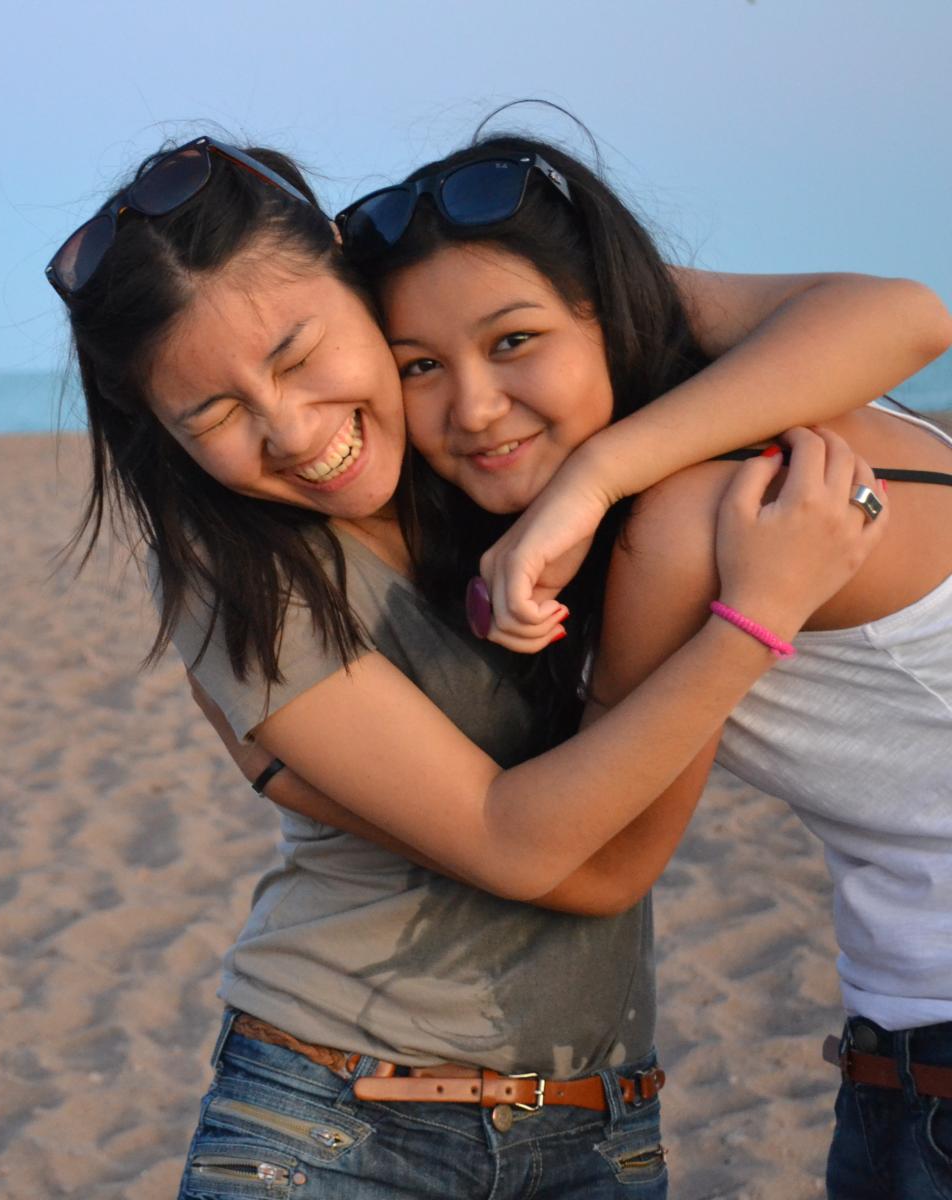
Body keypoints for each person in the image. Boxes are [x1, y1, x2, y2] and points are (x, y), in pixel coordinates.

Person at [47, 134, 946, 1196]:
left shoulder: (584, 456)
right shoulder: (248, 568)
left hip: (607, 1118)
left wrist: (597, 479)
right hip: (333, 1111)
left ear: (352, 283)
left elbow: (907, 316)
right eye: (215, 413)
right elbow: (577, 862)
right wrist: (749, 621)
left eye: (296, 357)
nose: (289, 429)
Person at [319, 132, 952, 1198]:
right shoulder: (757, 402)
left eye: (514, 340)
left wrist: (597, 478)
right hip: (903, 1044)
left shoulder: (699, 514)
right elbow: (903, 316)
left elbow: (604, 859)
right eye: (418, 366)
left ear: (606, 316)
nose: (473, 406)